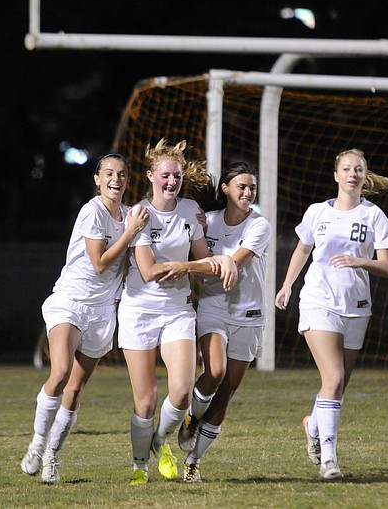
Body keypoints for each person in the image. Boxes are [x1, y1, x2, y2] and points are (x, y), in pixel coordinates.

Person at [19, 153, 149, 482]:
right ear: (97, 178)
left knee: (75, 391)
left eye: (121, 174)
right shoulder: (92, 211)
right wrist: (131, 232)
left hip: (104, 311)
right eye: (108, 173)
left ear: (128, 180)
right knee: (60, 372)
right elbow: (101, 263)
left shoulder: (129, 215)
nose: (115, 179)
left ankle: (52, 455)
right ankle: (36, 444)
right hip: (71, 302)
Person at [118, 139, 237, 485]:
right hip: (140, 312)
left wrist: (212, 262)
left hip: (178, 311)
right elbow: (148, 271)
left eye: (177, 176)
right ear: (151, 175)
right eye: (166, 176)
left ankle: (158, 442)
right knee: (146, 401)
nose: (172, 182)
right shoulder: (139, 214)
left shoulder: (189, 211)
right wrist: (193, 265)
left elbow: (202, 260)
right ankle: (140, 466)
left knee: (182, 392)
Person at [275, 148, 388, 479]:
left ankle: (313, 424)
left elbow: (387, 267)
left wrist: (361, 261)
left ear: (364, 175)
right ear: (336, 175)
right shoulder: (317, 212)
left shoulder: (374, 217)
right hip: (318, 300)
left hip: (356, 306)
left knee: (339, 385)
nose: (353, 173)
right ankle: (329, 458)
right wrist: (286, 286)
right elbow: (302, 249)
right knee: (334, 378)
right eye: (347, 168)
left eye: (359, 168)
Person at [176, 161, 272, 483]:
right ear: (226, 189)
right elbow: (193, 249)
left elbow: (237, 262)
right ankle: (191, 417)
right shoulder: (209, 222)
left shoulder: (259, 225)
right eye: (241, 186)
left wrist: (220, 262)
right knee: (214, 371)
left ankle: (194, 461)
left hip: (249, 312)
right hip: (215, 304)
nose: (248, 192)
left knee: (226, 392)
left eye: (252, 188)